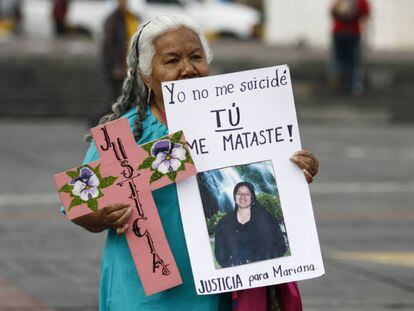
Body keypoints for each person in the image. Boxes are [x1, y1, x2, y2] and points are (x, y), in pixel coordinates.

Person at [71, 15, 319, 310]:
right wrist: (102, 216)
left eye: (196, 57)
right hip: (146, 292)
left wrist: (292, 170)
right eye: (172, 60)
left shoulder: (239, 123)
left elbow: (262, 185)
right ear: (147, 74)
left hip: (220, 292)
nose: (187, 69)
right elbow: (79, 205)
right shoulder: (123, 136)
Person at [214, 181, 287, 268]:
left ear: (252, 197)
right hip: (237, 274)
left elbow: (280, 246)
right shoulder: (224, 223)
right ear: (234, 196)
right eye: (239, 193)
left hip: (263, 271)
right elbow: (219, 251)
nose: (242, 197)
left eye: (247, 194)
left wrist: (266, 264)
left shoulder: (267, 219)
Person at [330, 0, 370, 95]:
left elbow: (332, 11)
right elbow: (366, 15)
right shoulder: (361, 1)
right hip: (352, 33)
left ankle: (340, 84)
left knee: (340, 59)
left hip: (341, 33)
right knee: (353, 60)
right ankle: (352, 85)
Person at [102, 0, 139, 102]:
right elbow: (109, 45)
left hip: (128, 64)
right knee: (116, 97)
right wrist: (116, 65)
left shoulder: (129, 17)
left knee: (123, 96)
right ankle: (99, 117)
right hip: (117, 66)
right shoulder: (112, 19)